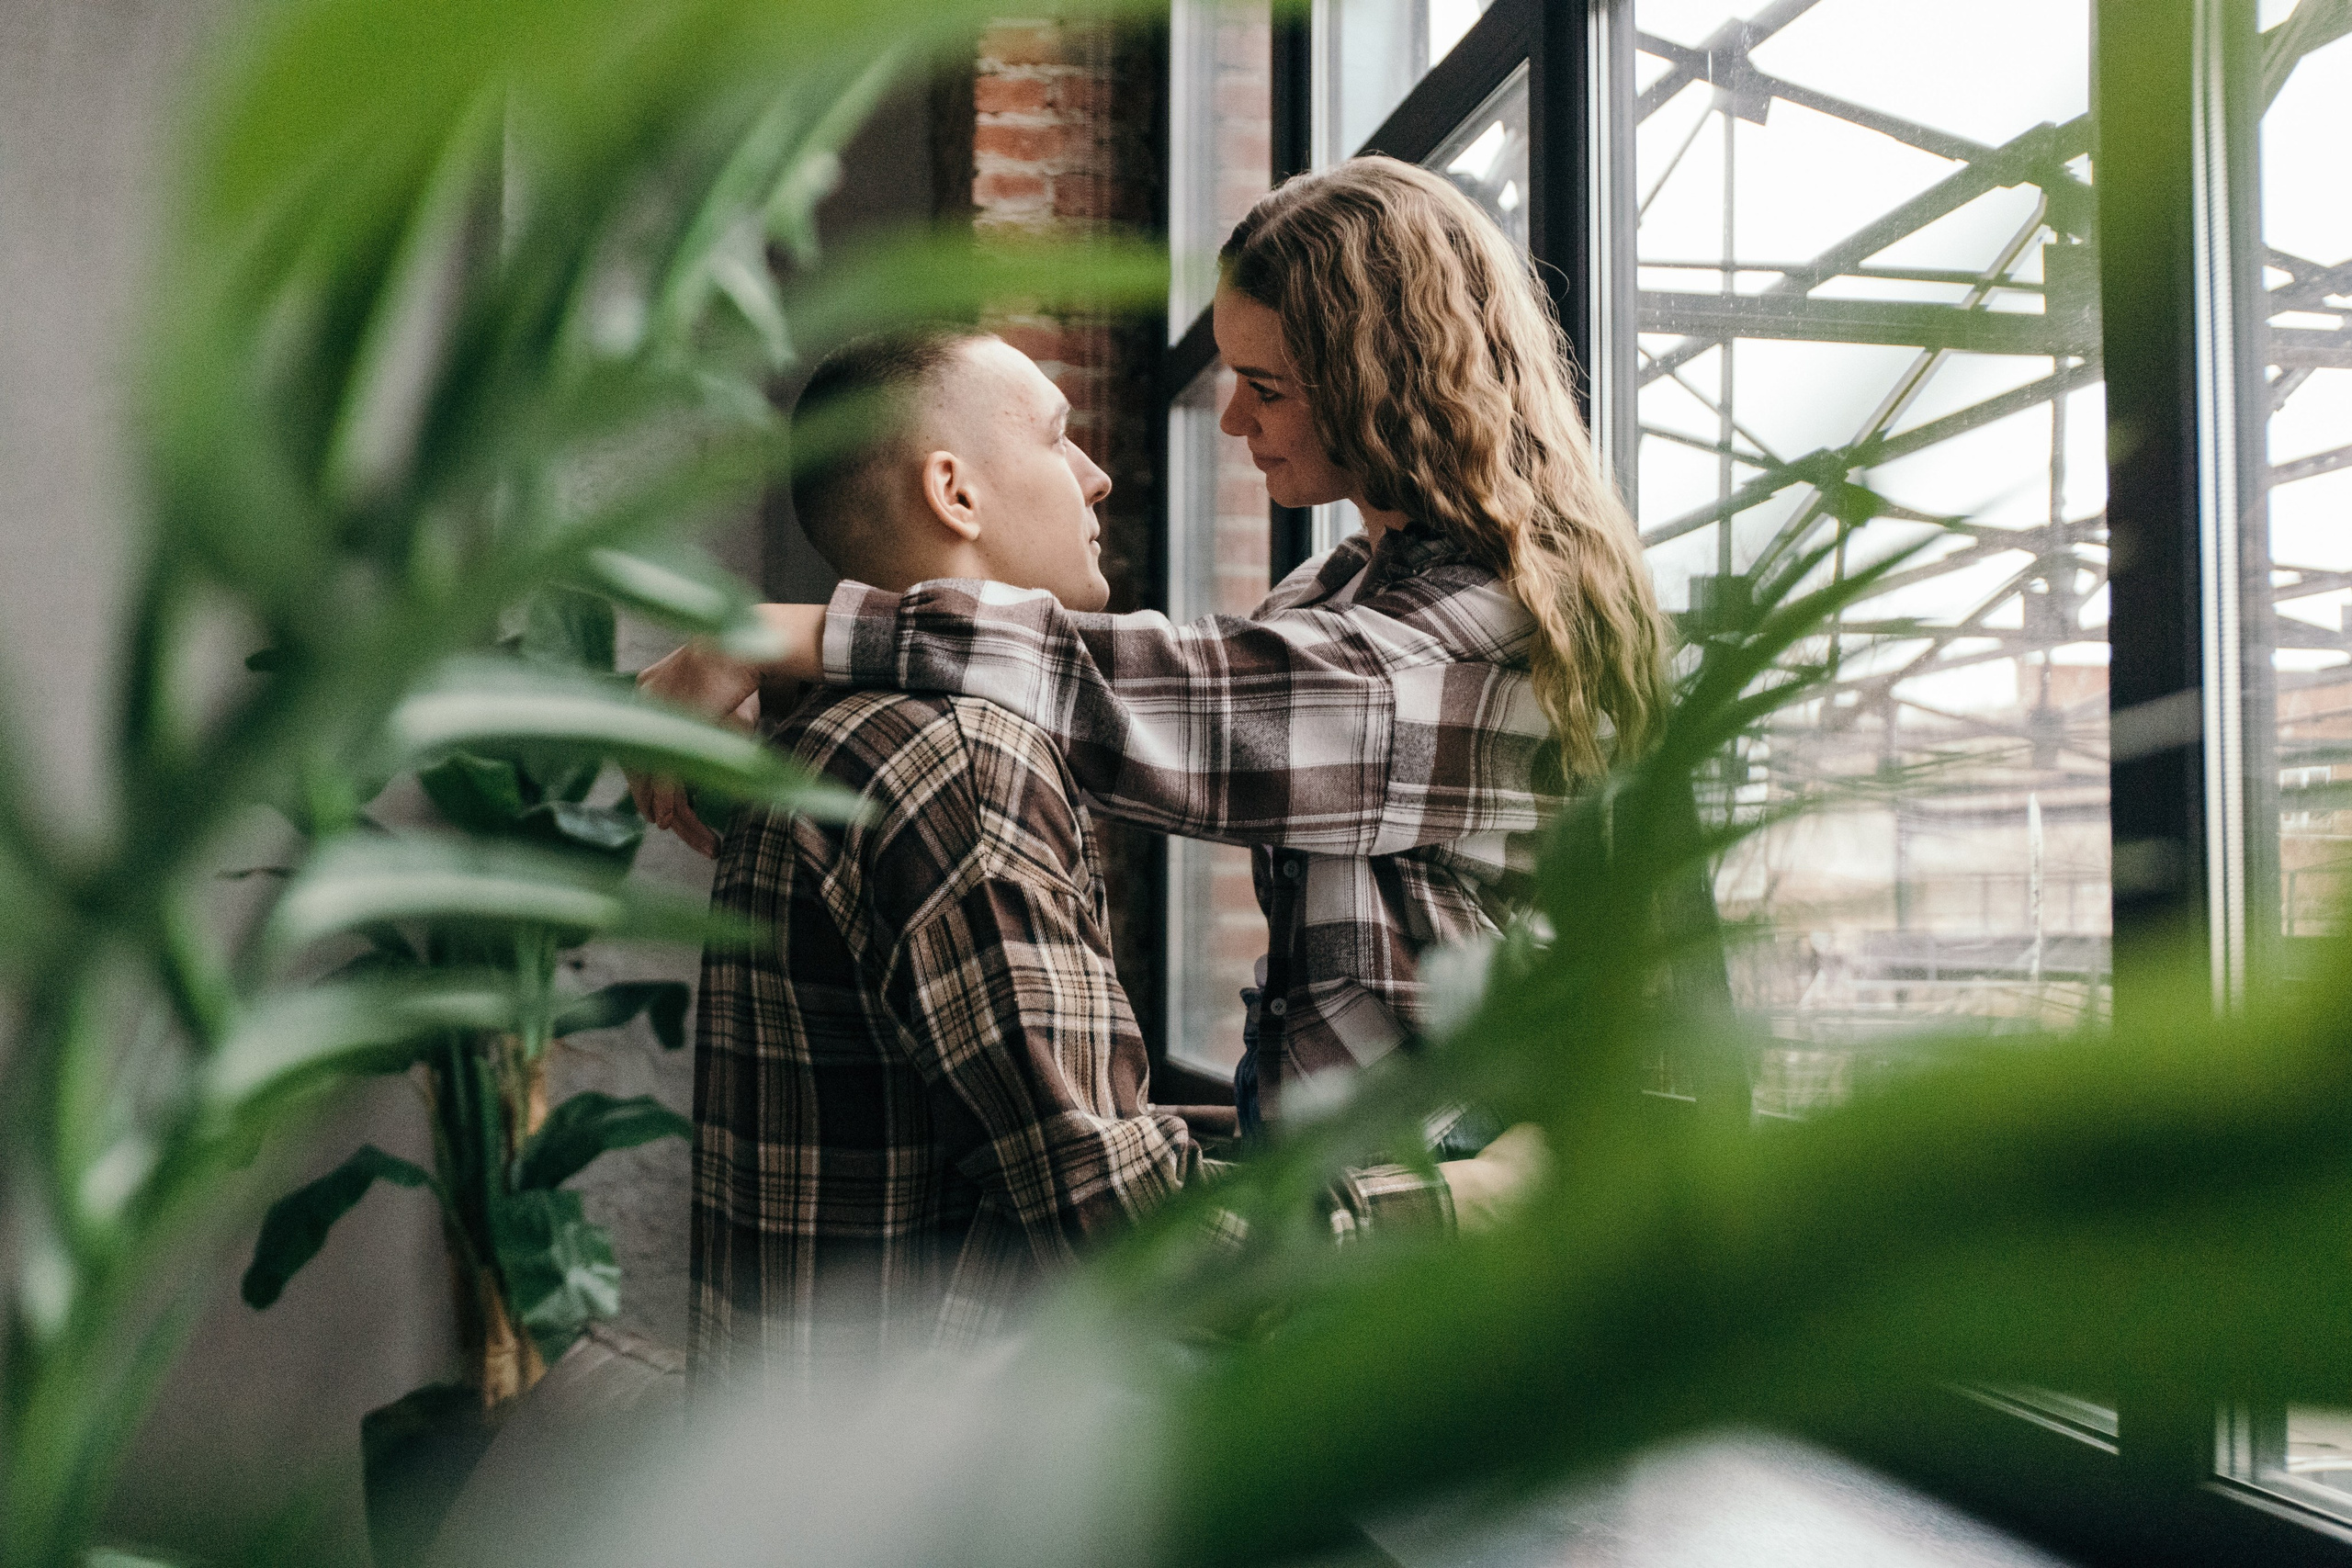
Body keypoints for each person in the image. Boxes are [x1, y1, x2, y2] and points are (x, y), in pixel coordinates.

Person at [642, 158, 1671, 1138]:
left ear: (1381, 383)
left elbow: (1170, 704)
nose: (1232, 419)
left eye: (1267, 387)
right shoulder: (1339, 589)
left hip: (1474, 1175)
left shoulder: (1495, 632)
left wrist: (794, 633)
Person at [684, 328, 1483, 1387]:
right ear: (954, 493)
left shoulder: (841, 736)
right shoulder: (961, 761)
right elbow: (1127, 1232)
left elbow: (995, 1135)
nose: (1097, 475)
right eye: (1059, 438)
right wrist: (1453, 1204)